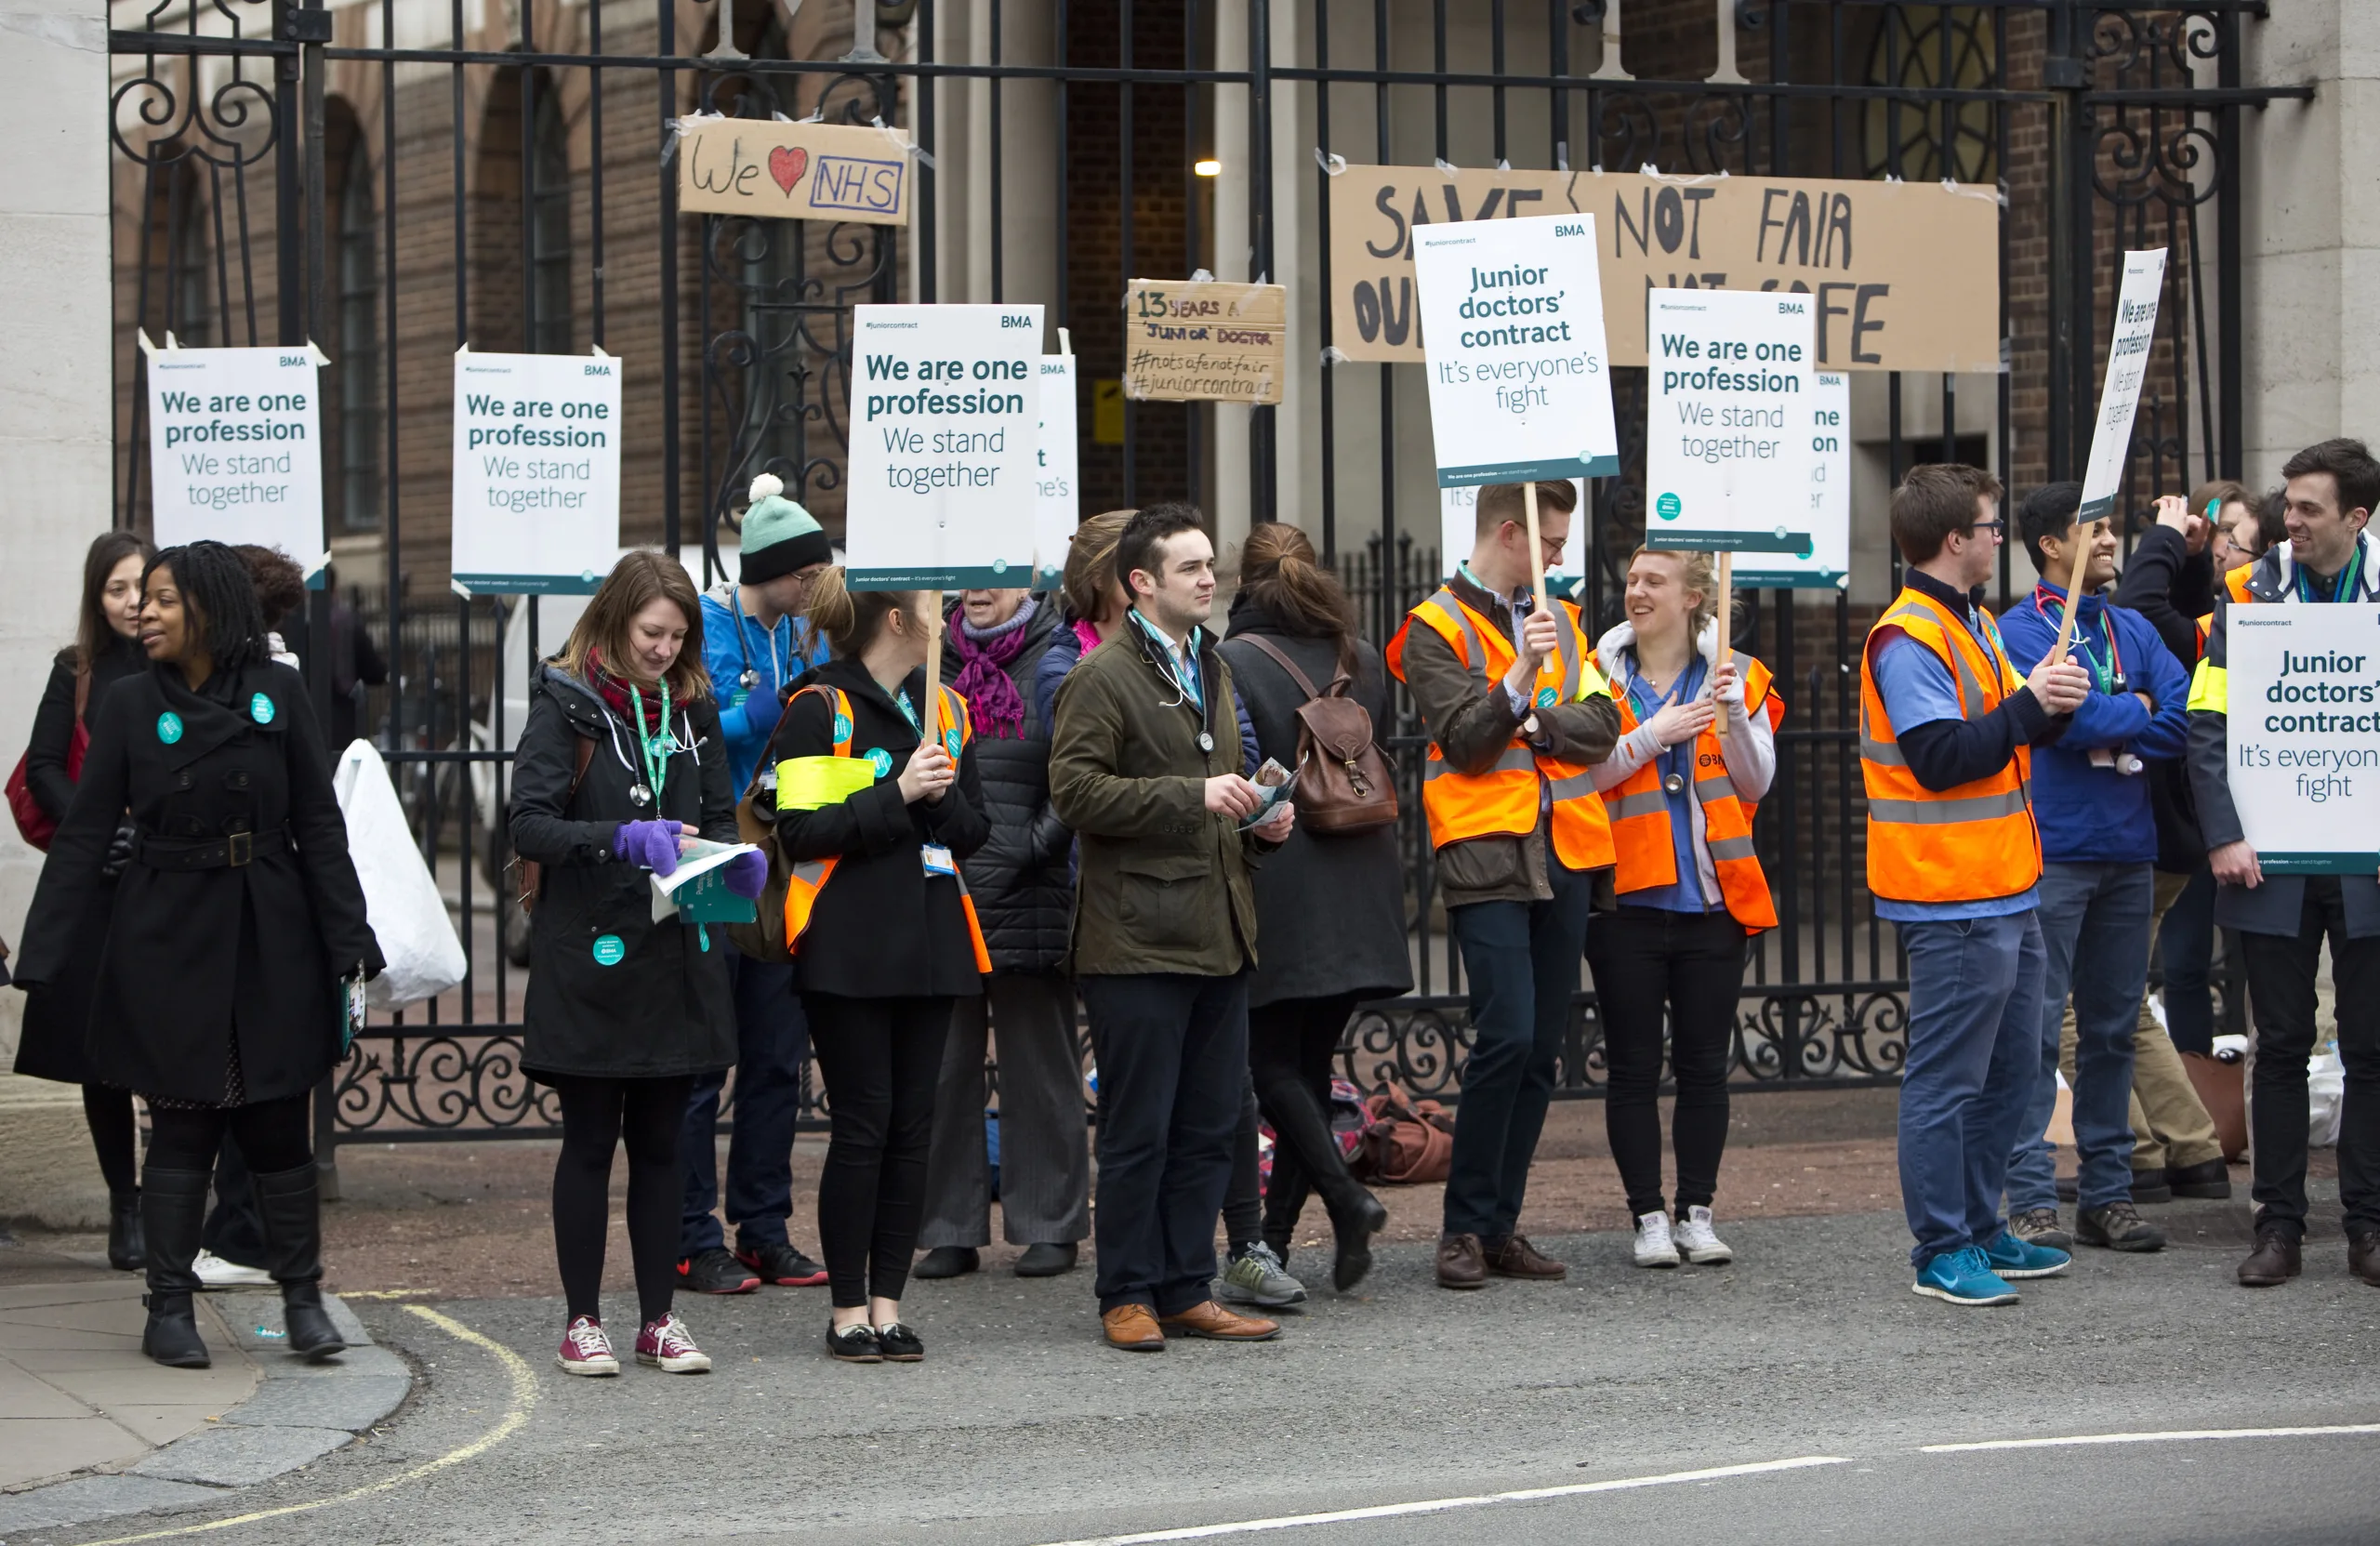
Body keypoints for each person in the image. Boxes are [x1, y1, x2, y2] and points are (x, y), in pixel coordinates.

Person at [12, 540, 384, 1369]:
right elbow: (81, 834)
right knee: (180, 1123)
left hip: (268, 929)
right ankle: (168, 1305)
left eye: (164, 599)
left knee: (279, 1121)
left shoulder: (279, 691)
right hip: (168, 932)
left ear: (210, 609)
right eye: (140, 598)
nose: (145, 612)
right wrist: (45, 951)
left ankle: (301, 1296)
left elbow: (319, 828)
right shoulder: (129, 704)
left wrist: (348, 937)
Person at [1037, 511, 1303, 1312]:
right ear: (1140, 583)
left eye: (1210, 564)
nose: (1208, 578)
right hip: (1136, 943)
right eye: (1189, 567)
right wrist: (1194, 794)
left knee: (1208, 1127)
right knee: (1138, 1130)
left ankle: (1189, 1287)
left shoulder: (1212, 668)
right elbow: (1075, 792)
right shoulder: (1102, 675)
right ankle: (1127, 1293)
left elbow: (1219, 792)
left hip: (1219, 934)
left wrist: (1261, 821)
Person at [512, 552, 754, 1376]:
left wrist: (725, 866)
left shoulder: (693, 709)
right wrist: (618, 837)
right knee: (590, 1140)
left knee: (662, 1143)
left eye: (678, 636)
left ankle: (659, 1319)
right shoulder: (566, 706)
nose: (664, 649)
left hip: (673, 948)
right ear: (617, 621)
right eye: (653, 632)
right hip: (591, 947)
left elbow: (719, 815)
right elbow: (530, 826)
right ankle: (583, 1320)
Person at [1861, 464, 2093, 1307]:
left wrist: (2048, 703)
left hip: (2006, 879)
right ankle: (1940, 1247)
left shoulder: (1975, 621)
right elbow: (1942, 757)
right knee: (1949, 1078)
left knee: (2007, 1073)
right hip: (1950, 889)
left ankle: (1981, 1225)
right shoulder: (1907, 636)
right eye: (1992, 527)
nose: (2001, 539)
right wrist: (2033, 707)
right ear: (1956, 539)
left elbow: (2003, 733)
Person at [1385, 480, 1621, 1290]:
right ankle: (1461, 1225)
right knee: (1508, 1034)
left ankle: (1499, 1225)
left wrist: (1537, 722)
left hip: (1569, 849)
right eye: (1553, 543)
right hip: (1487, 851)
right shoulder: (1432, 627)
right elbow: (1469, 740)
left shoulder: (1568, 616)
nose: (1561, 558)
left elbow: (1603, 727)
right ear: (1513, 532)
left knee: (1540, 1052)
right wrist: (1522, 676)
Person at [767, 571, 988, 1362]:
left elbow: (972, 830)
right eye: (934, 606)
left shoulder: (947, 709)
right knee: (863, 1125)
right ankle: (847, 1309)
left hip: (934, 941)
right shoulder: (821, 708)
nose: (948, 616)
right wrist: (897, 790)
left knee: (913, 1128)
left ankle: (890, 1303)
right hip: (849, 944)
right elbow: (803, 830)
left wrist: (936, 792)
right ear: (899, 617)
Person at [2188, 437, 2380, 1289]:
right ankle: (2279, 1227)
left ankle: (2369, 1226)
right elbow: (2206, 724)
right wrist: (2223, 832)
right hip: (2270, 859)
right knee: (2282, 1047)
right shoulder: (2248, 599)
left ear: (2357, 517)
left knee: (2372, 1050)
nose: (2286, 521)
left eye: (2307, 508)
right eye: (2287, 504)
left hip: (2369, 861)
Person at [1999, 483, 2190, 1256]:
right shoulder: (2016, 630)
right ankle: (2033, 1196)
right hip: (2053, 853)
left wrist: (2121, 711)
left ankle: (2107, 1194)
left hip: (2129, 850)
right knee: (2036, 1034)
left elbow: (2180, 718)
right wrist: (2133, 707)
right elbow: (2053, 717)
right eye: (2098, 529)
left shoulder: (2133, 626)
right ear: (2052, 545)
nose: (2113, 541)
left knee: (2112, 1029)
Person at [1218, 524, 1410, 1291]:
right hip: (1362, 878)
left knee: (1270, 1065)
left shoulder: (1231, 660)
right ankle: (1282, 1239)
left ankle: (1344, 1195)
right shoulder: (1355, 657)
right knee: (1305, 1066)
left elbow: (1237, 771)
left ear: (1244, 578)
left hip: (1285, 880)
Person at [1582, 548, 1782, 1269]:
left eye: (1652, 581)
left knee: (1704, 1065)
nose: (1635, 590)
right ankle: (1647, 1216)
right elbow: (1580, 772)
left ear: (1695, 596)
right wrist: (1650, 736)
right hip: (1625, 901)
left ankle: (1698, 1211)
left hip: (1713, 903)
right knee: (1633, 1067)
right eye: (1631, 578)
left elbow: (1757, 783)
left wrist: (1730, 714)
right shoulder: (1594, 672)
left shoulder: (1737, 674)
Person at [678, 471, 835, 1295]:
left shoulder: (808, 633)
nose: (813, 582)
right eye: (802, 571)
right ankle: (691, 1231)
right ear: (765, 566)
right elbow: (688, 724)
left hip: (779, 858)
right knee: (706, 1054)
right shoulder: (703, 622)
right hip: (710, 854)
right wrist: (756, 714)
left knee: (776, 1054)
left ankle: (764, 1227)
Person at [916, 584, 1090, 1282]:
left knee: (1041, 1065)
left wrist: (1034, 845)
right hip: (948, 886)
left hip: (1031, 886)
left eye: (997, 574)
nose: (979, 591)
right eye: (970, 579)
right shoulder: (934, 656)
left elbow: (1078, 767)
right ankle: (948, 1226)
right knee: (944, 1066)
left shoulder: (1059, 652)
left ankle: (1051, 1222)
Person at [11, 531, 154, 1273]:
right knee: (100, 1058)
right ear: (97, 597)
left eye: (144, 587)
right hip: (96, 884)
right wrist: (100, 831)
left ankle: (170, 1205)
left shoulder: (178, 668)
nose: (133, 603)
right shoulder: (77, 671)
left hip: (164, 883)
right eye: (117, 590)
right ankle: (123, 1206)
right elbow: (40, 768)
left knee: (168, 1048)